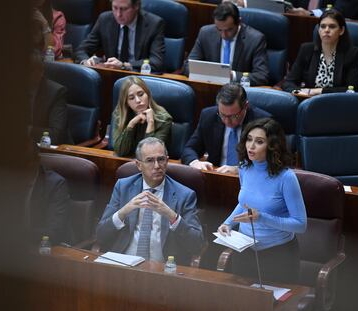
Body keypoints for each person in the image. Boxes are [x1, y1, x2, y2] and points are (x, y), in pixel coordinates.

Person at [218, 118, 307, 283]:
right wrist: (228, 223)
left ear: (272, 146)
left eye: (259, 142)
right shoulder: (245, 167)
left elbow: (300, 224)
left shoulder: (287, 178)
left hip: (278, 254)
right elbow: (245, 203)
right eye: (249, 139)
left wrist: (262, 218)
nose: (251, 146)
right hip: (245, 249)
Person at [96, 137, 204, 264]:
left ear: (167, 161)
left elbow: (197, 244)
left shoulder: (185, 195)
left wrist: (171, 215)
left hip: (163, 268)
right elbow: (101, 235)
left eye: (161, 159)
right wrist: (123, 212)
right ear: (139, 165)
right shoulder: (123, 187)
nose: (157, 166)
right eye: (150, 161)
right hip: (124, 263)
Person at [181, 83, 270, 175]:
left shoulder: (262, 122)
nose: (227, 121)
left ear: (246, 106)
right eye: (222, 115)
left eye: (234, 116)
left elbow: (271, 161)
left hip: (250, 180)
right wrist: (195, 163)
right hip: (216, 176)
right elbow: (189, 148)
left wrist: (239, 170)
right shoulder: (209, 116)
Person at [184, 1, 269, 86]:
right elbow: (188, 66)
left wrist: (232, 76)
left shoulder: (255, 39)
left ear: (239, 22)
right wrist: (211, 73)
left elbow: (262, 76)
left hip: (238, 92)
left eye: (229, 30)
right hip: (210, 88)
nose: (223, 35)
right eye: (219, 29)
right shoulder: (206, 33)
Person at [282, 9, 358, 95]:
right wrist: (297, 91)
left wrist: (318, 91)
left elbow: (351, 89)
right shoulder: (307, 50)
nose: (326, 30)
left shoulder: (351, 54)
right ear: (318, 30)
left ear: (341, 30)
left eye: (332, 26)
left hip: (337, 103)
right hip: (308, 101)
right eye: (323, 26)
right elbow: (288, 82)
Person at [75, 0, 165, 73]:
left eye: (124, 9)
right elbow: (81, 50)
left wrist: (124, 65)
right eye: (115, 8)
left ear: (136, 6)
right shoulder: (105, 20)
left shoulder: (154, 24)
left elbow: (157, 62)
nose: (118, 14)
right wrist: (86, 61)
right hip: (111, 76)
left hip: (139, 78)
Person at [112, 76, 172, 157]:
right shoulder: (119, 115)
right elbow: (120, 151)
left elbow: (150, 155)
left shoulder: (163, 119)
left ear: (148, 95)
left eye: (141, 94)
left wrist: (150, 123)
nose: (138, 100)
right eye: (131, 98)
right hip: (127, 163)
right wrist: (131, 124)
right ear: (127, 103)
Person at [29, 49, 73, 145]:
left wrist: (24, 131)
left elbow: (56, 135)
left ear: (41, 72)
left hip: (53, 150)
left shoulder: (56, 92)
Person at [287, 0, 358, 20]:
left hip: (340, 42)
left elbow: (339, 12)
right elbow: (287, 3)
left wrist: (310, 14)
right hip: (300, 31)